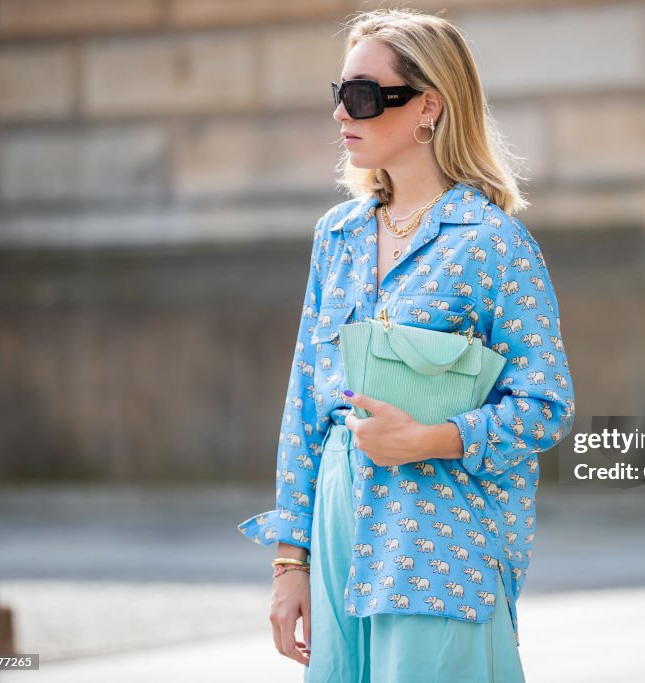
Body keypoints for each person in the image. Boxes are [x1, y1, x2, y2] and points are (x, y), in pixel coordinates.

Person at [237, 8, 575, 682]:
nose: (341, 113)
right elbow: (305, 400)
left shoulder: (492, 243)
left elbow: (547, 402)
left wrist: (430, 437)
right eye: (338, 93)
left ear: (428, 107)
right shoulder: (336, 236)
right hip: (339, 521)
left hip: (441, 536)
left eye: (361, 95)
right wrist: (289, 561)